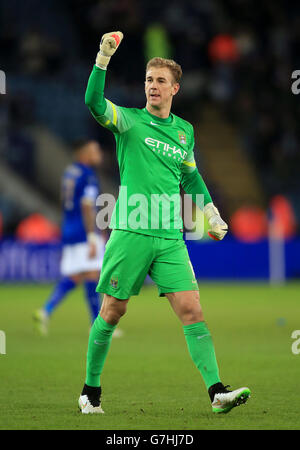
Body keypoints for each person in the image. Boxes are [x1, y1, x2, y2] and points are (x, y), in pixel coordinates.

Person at [78, 32, 251, 415]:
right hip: (131, 231)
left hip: (170, 236)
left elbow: (190, 177)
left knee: (192, 310)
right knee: (112, 312)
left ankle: (216, 392)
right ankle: (90, 391)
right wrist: (102, 58)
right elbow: (93, 102)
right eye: (148, 80)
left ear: (175, 88)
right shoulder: (128, 121)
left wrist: (211, 213)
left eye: (159, 81)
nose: (152, 86)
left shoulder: (184, 131)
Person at [33, 139, 106, 335]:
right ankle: (96, 324)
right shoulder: (88, 175)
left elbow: (64, 201)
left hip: (69, 228)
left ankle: (45, 311)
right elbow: (87, 205)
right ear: (83, 153)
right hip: (83, 231)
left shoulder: (69, 172)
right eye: (94, 150)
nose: (99, 154)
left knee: (74, 275)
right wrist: (92, 236)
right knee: (92, 273)